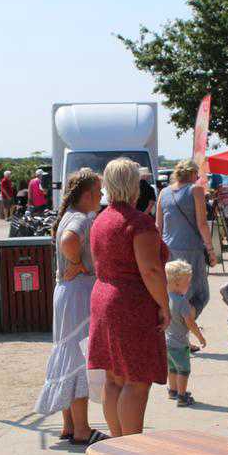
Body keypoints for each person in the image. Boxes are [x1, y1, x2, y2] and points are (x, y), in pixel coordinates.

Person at [88, 158, 170, 437]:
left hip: (103, 297)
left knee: (114, 377)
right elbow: (151, 270)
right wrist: (164, 305)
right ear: (134, 184)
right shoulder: (139, 222)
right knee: (137, 380)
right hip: (131, 302)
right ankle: (132, 445)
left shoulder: (100, 220)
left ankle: (116, 441)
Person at [36, 169, 107, 445]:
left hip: (66, 292)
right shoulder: (80, 218)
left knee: (68, 353)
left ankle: (69, 426)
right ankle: (82, 429)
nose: (101, 198)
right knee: (79, 356)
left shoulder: (68, 215)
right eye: (99, 193)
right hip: (78, 291)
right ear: (87, 195)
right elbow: (69, 240)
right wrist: (78, 264)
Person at [156, 160, 215, 342]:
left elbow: (158, 225)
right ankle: (181, 333)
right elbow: (202, 224)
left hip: (167, 250)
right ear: (191, 175)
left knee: (173, 295)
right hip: (190, 250)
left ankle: (174, 333)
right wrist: (211, 251)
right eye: (197, 176)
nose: (198, 179)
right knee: (201, 295)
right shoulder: (195, 190)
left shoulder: (164, 193)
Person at [164, 259, 206, 407]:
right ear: (177, 283)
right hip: (180, 343)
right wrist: (200, 337)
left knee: (172, 367)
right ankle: (182, 396)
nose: (189, 285)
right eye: (187, 282)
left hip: (167, 341)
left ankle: (173, 391)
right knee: (183, 370)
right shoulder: (182, 302)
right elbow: (190, 323)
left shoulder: (166, 298)